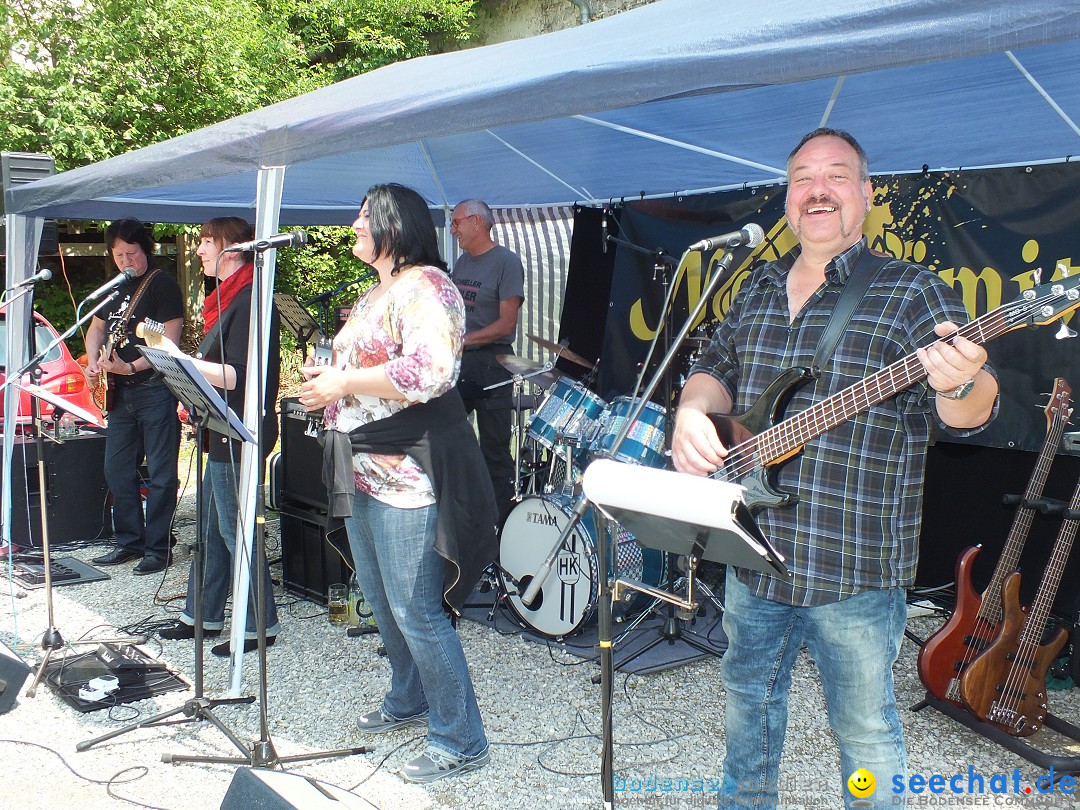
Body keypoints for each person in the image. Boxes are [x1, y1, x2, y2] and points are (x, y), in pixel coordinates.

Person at [670, 129, 999, 810]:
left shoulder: (914, 291)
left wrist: (961, 381)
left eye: (837, 176)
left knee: (866, 735)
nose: (818, 189)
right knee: (747, 715)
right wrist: (692, 414)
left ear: (867, 194)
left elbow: (972, 410)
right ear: (788, 198)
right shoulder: (757, 287)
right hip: (752, 551)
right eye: (803, 178)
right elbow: (715, 369)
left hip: (852, 569)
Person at [301, 183, 497, 783]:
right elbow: (366, 372)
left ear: (393, 224)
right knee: (382, 601)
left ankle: (460, 737)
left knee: (417, 611)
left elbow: (429, 371)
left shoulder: (428, 287)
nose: (354, 227)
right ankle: (408, 696)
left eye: (363, 218)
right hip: (360, 465)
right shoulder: (376, 293)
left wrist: (344, 384)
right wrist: (330, 377)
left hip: (405, 475)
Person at [158, 217, 281, 657]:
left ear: (232, 246)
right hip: (220, 429)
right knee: (211, 529)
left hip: (240, 431)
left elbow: (238, 376)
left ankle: (258, 625)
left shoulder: (250, 301)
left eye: (206, 241)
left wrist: (178, 359)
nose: (199, 251)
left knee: (237, 531)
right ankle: (202, 615)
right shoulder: (229, 299)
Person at [87, 218, 184, 575]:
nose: (126, 260)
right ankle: (129, 540)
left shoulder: (162, 285)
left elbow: (169, 342)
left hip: (154, 389)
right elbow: (95, 328)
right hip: (119, 393)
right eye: (119, 254)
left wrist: (129, 368)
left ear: (146, 250)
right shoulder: (114, 287)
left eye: (132, 253)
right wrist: (96, 361)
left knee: (160, 473)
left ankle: (158, 547)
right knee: (116, 468)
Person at [450, 199, 525, 513]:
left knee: (494, 445)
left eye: (456, 223)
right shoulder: (462, 262)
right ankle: (459, 510)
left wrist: (464, 340)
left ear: (476, 222)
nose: (453, 230)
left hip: (493, 363)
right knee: (448, 433)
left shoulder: (506, 262)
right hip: (460, 360)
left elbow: (507, 323)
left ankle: (501, 520)